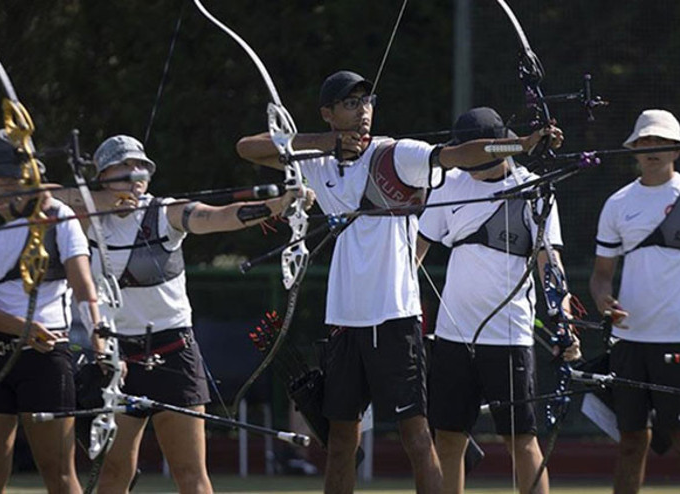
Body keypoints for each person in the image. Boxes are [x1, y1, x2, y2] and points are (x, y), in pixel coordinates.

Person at [237, 70, 563, 494]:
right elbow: (248, 148)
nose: (363, 111)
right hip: (344, 321)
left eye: (367, 101)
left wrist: (517, 145)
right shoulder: (317, 163)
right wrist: (324, 143)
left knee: (416, 438)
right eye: (351, 104)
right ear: (328, 114)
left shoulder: (396, 155)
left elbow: (460, 154)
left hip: (395, 319)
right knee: (340, 441)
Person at [54, 134, 314, 493]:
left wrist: (277, 205)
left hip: (173, 353)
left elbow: (217, 216)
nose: (135, 173)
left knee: (189, 474)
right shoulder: (85, 220)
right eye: (124, 166)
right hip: (119, 359)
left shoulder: (165, 212)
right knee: (115, 473)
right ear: (102, 174)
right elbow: (42, 197)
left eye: (141, 166)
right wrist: (102, 201)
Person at [415, 107, 579, 494]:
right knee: (449, 438)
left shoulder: (535, 188)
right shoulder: (450, 184)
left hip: (508, 337)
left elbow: (549, 262)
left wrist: (564, 320)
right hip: (453, 336)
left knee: (521, 440)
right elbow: (415, 252)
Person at [589, 110, 680, 493]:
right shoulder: (618, 204)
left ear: (677, 150)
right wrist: (605, 302)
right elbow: (601, 276)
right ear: (634, 150)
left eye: (661, 143)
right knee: (632, 442)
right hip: (630, 342)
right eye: (645, 142)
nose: (652, 149)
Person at [0, 129, 102, 493]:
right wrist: (22, 328)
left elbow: (83, 285)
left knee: (58, 472)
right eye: (0, 174)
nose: (7, 181)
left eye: (15, 173)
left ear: (32, 172)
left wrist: (100, 338)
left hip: (47, 353)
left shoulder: (58, 215)